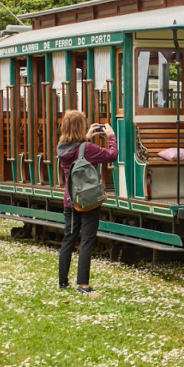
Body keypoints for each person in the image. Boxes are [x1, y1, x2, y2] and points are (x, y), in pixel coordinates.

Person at [57, 109, 117, 294]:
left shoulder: (61, 148)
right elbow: (111, 155)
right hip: (88, 200)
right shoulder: (88, 149)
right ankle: (83, 284)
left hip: (70, 200)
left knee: (69, 238)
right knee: (87, 240)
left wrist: (87, 138)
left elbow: (78, 152)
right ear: (81, 126)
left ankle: (63, 282)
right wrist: (111, 136)